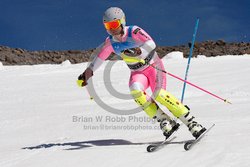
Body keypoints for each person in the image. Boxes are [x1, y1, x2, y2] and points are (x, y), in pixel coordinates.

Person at [78, 7, 206, 139]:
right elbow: (100, 57)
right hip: (137, 72)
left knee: (159, 94)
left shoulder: (133, 31)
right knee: (135, 91)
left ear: (122, 21)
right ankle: (164, 120)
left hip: (152, 66)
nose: (112, 29)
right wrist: (89, 71)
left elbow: (151, 43)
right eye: (108, 26)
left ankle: (191, 122)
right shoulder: (110, 42)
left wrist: (139, 50)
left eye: (114, 25)